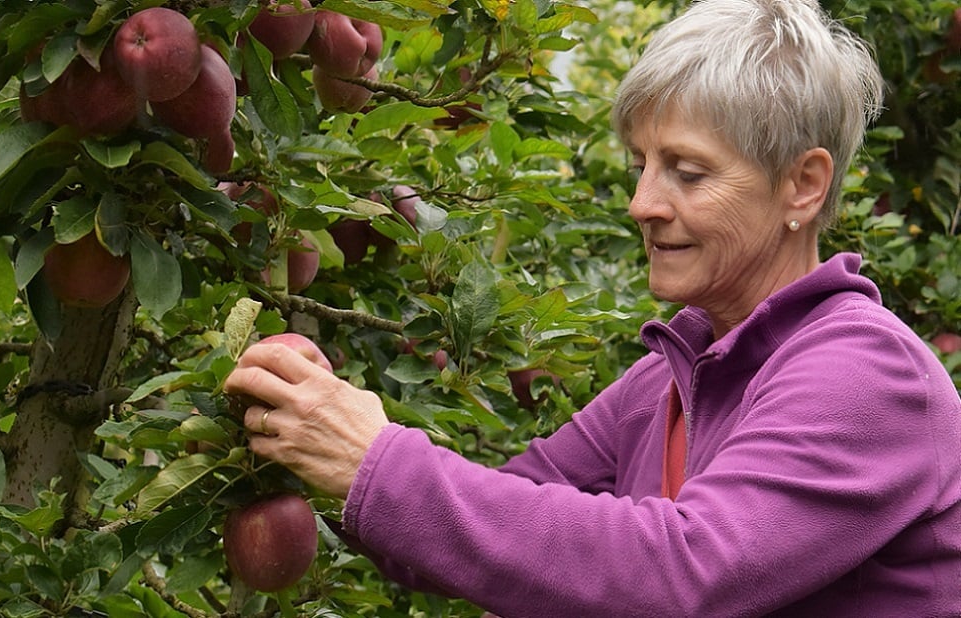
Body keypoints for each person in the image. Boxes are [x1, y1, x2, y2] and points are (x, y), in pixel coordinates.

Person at [222, 0, 961, 614]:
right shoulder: (665, 384)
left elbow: (682, 574)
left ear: (802, 185)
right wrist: (310, 430)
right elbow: (482, 523)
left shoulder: (867, 374)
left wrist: (373, 461)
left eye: (688, 172)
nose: (642, 204)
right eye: (640, 166)